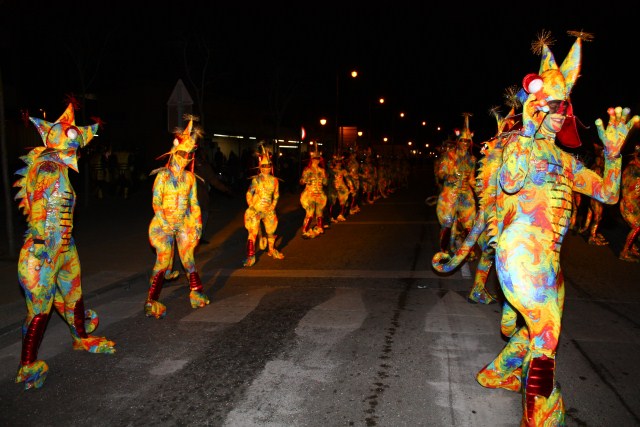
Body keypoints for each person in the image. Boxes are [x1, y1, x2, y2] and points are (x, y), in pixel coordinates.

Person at [14, 102, 116, 389]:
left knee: (73, 294)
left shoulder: (59, 169)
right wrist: (40, 242)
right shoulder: (48, 167)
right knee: (39, 310)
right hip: (44, 252)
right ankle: (27, 365)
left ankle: (81, 338)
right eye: (75, 145)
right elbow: (37, 208)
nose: (78, 151)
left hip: (65, 247)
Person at [144, 117, 209, 319]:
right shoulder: (162, 176)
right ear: (173, 152)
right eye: (182, 153)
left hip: (182, 224)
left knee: (188, 259)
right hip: (163, 226)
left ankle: (196, 292)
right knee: (163, 261)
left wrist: (197, 224)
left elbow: (194, 203)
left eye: (189, 155)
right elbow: (156, 202)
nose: (186, 158)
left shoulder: (190, 179)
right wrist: (165, 224)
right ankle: (151, 300)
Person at [435, 113, 477, 256]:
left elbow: (471, 178)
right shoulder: (449, 156)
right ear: (458, 141)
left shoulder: (472, 159)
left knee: (470, 222)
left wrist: (481, 190)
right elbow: (441, 173)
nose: (465, 143)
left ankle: (467, 250)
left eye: (468, 141)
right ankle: (444, 250)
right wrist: (449, 176)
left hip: (465, 193)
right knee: (447, 222)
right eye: (463, 141)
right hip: (450, 193)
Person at [242, 146, 284, 267]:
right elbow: (249, 192)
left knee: (271, 231)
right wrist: (251, 205)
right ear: (260, 167)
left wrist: (273, 206)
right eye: (264, 166)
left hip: (269, 209)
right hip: (256, 209)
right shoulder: (256, 180)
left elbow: (276, 195)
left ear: (271, 167)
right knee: (252, 233)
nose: (266, 169)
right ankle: (250, 256)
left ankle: (271, 249)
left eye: (268, 166)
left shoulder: (275, 180)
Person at [194, 148, 233, 244]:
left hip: (192, 198)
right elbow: (214, 181)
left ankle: (195, 237)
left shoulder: (190, 165)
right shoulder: (204, 166)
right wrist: (226, 189)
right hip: (200, 197)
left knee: (195, 218)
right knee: (203, 216)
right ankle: (198, 237)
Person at [578, 143, 608, 245]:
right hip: (597, 195)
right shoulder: (600, 169)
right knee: (598, 216)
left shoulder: (595, 166)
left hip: (592, 194)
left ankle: (585, 228)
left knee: (590, 212)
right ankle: (592, 236)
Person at [299, 147, 328, 239]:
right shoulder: (307, 170)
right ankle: (305, 230)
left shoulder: (322, 170)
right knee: (310, 212)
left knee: (319, 212)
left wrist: (325, 178)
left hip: (319, 194)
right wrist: (305, 179)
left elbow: (325, 183)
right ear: (312, 159)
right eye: (315, 158)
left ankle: (319, 227)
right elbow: (301, 182)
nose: (317, 160)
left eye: (318, 158)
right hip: (310, 194)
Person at [619, 143, 640, 261]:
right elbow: (629, 189)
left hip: (633, 203)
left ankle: (632, 248)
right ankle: (624, 252)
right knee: (637, 226)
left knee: (637, 227)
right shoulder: (632, 168)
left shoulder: (635, 167)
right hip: (629, 204)